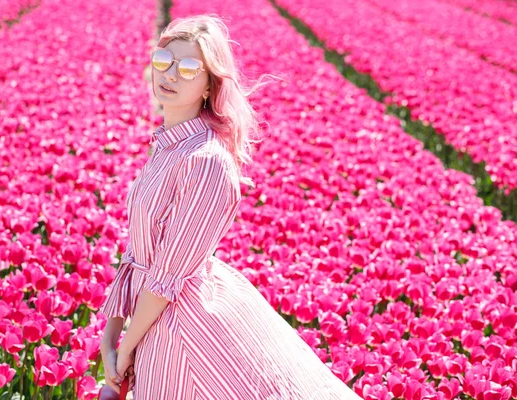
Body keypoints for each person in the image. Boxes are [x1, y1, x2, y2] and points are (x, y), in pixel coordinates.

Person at [99, 14, 363, 400]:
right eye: (163, 61)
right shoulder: (168, 146)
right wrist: (111, 336)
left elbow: (167, 277)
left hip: (184, 330)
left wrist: (125, 348)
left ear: (209, 85)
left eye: (189, 68)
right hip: (151, 324)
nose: (171, 74)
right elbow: (137, 255)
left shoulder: (206, 160)